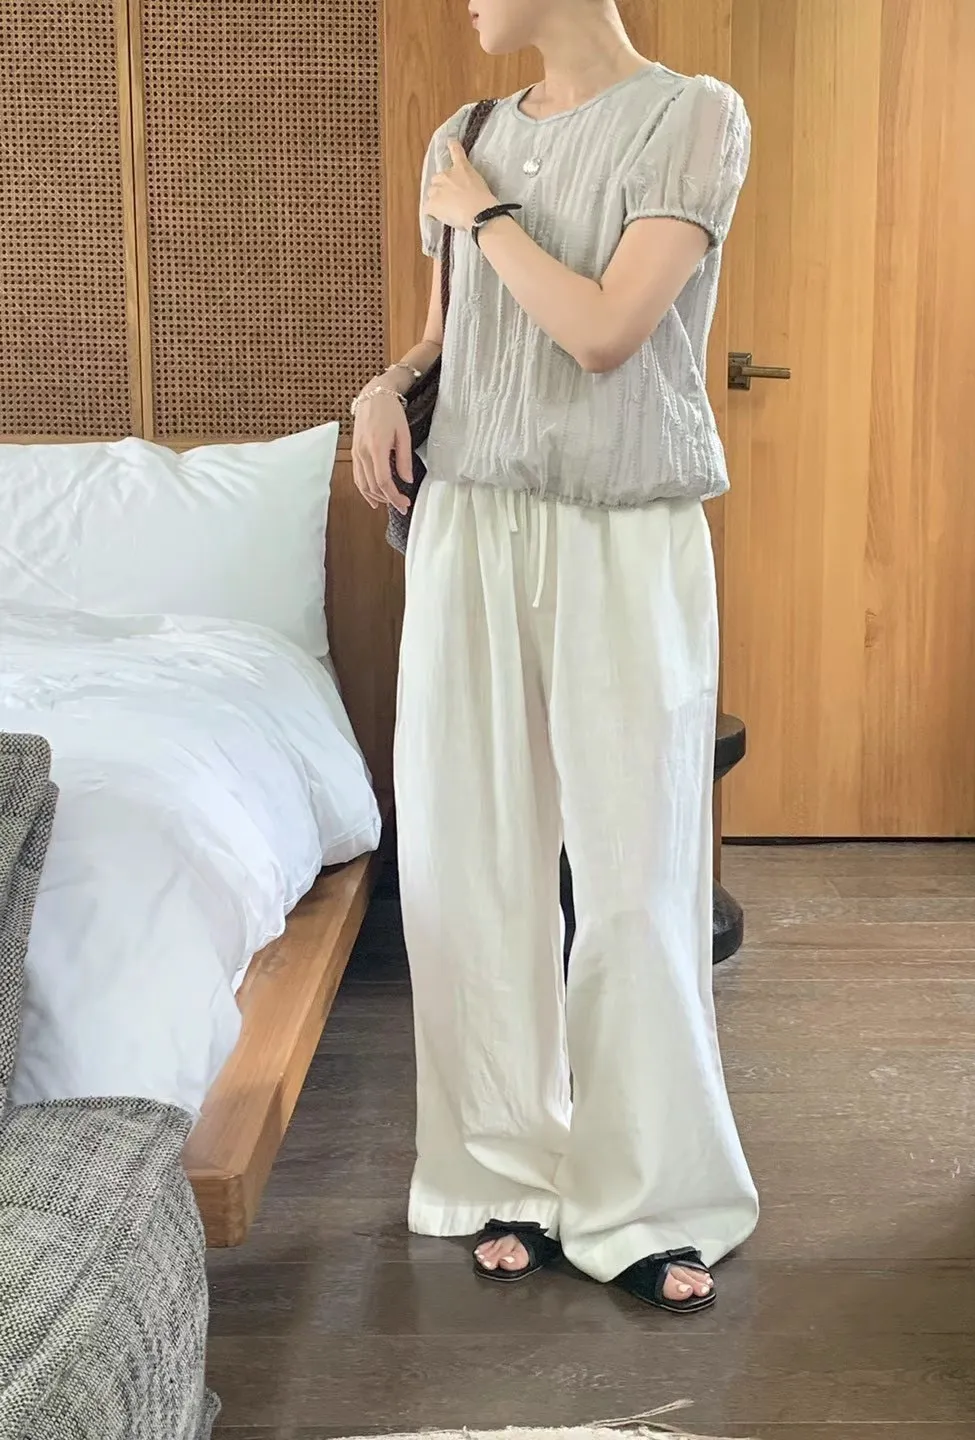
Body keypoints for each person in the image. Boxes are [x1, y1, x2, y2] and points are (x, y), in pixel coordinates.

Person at [350, 0, 757, 1314]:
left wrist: (484, 215)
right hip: (472, 523)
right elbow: (455, 339)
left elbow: (603, 332)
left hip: (622, 529)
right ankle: (499, 1169)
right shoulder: (462, 133)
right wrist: (382, 388)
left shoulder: (692, 116)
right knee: (472, 861)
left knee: (635, 872)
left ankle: (647, 1193)